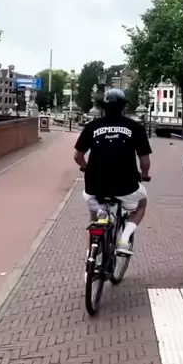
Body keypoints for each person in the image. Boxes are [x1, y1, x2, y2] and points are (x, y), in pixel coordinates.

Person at [74, 88, 151, 255]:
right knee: (141, 202)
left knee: (94, 218)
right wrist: (144, 174)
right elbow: (145, 161)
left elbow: (78, 156)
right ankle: (124, 238)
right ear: (124, 107)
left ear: (103, 107)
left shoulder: (91, 126)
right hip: (126, 184)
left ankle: (90, 257)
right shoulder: (135, 127)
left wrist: (87, 167)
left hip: (95, 185)